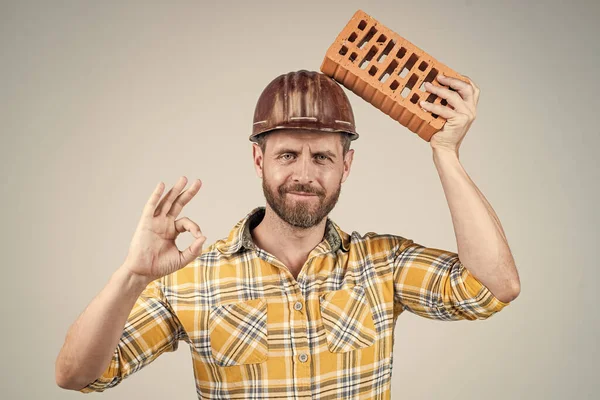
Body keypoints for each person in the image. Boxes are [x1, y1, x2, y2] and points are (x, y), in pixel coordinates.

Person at [55, 70, 521, 398]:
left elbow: (492, 288)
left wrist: (446, 153)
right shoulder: (193, 278)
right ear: (259, 160)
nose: (304, 173)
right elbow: (79, 376)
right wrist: (132, 275)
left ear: (346, 166)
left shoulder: (383, 264)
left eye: (321, 157)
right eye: (287, 155)